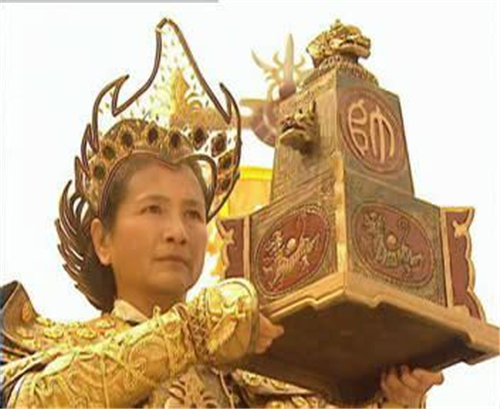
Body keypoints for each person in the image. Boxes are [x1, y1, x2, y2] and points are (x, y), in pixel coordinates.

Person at [0, 18, 443, 408]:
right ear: (102, 240)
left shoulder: (244, 376)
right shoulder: (56, 358)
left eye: (194, 215)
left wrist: (395, 399)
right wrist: (191, 332)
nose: (177, 231)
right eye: (153, 209)